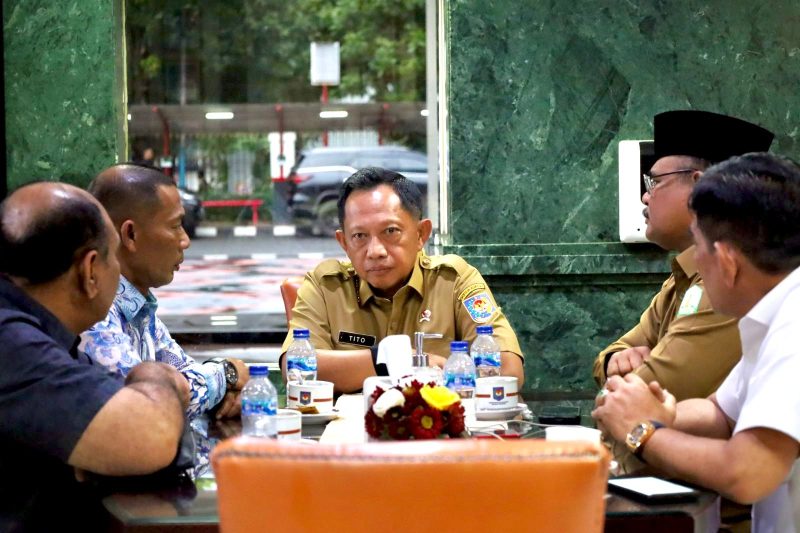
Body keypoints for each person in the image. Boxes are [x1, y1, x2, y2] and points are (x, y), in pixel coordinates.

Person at [593, 153, 800, 532]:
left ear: (726, 262)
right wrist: (663, 411)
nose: (696, 264)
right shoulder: (773, 314)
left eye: (699, 248)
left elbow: (746, 472)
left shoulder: (795, 326)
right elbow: (721, 413)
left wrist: (642, 431)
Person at [0, 182, 188, 531]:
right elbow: (151, 435)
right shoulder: (13, 343)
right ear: (89, 272)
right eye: (114, 256)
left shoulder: (43, 336)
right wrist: (156, 375)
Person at [281, 167, 524, 393]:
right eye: (359, 236)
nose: (375, 250)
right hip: (347, 433)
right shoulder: (325, 286)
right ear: (344, 242)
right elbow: (294, 367)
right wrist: (396, 359)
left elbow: (509, 370)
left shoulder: (454, 280)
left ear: (421, 234)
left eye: (390, 232)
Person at [592, 110, 774, 401]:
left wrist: (620, 380)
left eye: (654, 182)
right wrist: (616, 360)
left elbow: (644, 398)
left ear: (700, 188)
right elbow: (612, 354)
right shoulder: (681, 278)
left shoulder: (733, 282)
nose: (645, 196)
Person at [80, 164, 249, 419]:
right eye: (175, 226)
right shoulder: (96, 311)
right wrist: (228, 372)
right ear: (130, 234)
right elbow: (149, 403)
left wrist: (223, 388)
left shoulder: (138, 305)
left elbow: (185, 378)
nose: (185, 240)